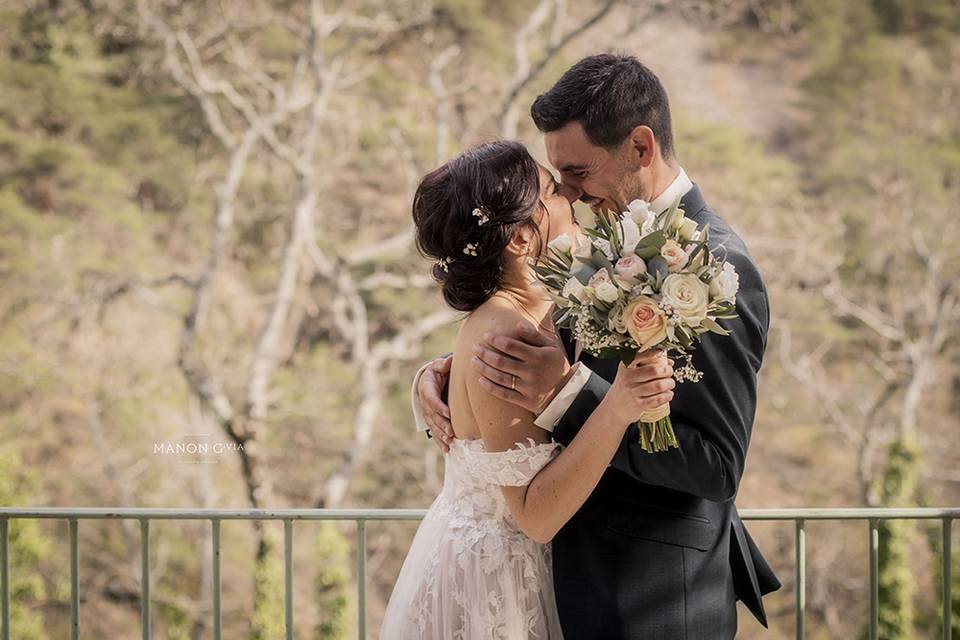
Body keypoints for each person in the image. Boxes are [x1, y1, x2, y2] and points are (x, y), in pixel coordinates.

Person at [413, 54, 781, 639]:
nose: (568, 193)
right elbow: (535, 334)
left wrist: (569, 394)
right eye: (558, 180)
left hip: (654, 594)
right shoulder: (599, 239)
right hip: (574, 581)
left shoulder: (717, 266)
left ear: (640, 147)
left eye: (578, 173)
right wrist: (446, 376)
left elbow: (715, 467)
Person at [380, 140, 676, 639]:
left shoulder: (544, 305)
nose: (571, 195)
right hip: (497, 585)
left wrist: (435, 374)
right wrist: (619, 405)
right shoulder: (504, 334)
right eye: (553, 192)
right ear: (520, 238)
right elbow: (535, 518)